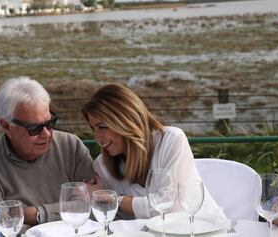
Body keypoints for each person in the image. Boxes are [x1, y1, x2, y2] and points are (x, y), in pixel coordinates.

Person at [0, 77, 95, 231]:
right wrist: (67, 210)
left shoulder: (71, 146)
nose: (46, 134)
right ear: (6, 126)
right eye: (34, 128)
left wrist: (35, 214)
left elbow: (93, 207)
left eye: (50, 122)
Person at [82, 83, 226, 220]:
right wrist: (99, 201)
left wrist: (113, 198)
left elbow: (171, 208)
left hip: (205, 229)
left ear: (125, 120)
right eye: (93, 129)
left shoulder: (171, 140)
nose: (96, 137)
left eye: (102, 127)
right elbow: (114, 221)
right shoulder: (102, 166)